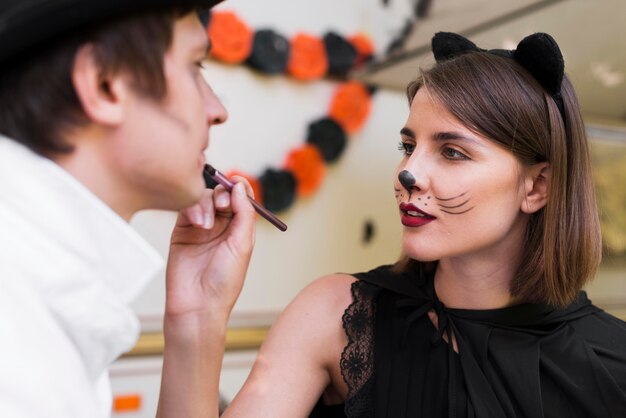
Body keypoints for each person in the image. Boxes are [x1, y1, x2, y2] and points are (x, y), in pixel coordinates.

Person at [210, 32, 626, 417]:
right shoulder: (334, 315)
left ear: (536, 187)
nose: (408, 173)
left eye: (453, 152)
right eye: (407, 146)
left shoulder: (613, 361)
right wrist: (196, 317)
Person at [0, 1, 256, 417]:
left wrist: (198, 319)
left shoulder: (44, 281)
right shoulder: (16, 324)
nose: (218, 110)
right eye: (195, 68)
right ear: (104, 84)